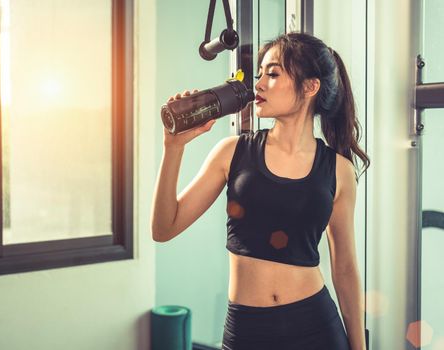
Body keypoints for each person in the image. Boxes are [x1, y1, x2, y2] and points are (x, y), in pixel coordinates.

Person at [151, 32, 370, 350]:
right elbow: (163, 228)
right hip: (247, 332)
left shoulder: (338, 171)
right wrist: (173, 148)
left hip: (316, 327)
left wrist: (359, 347)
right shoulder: (232, 152)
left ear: (310, 87)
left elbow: (346, 268)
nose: (259, 85)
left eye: (273, 74)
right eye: (260, 75)